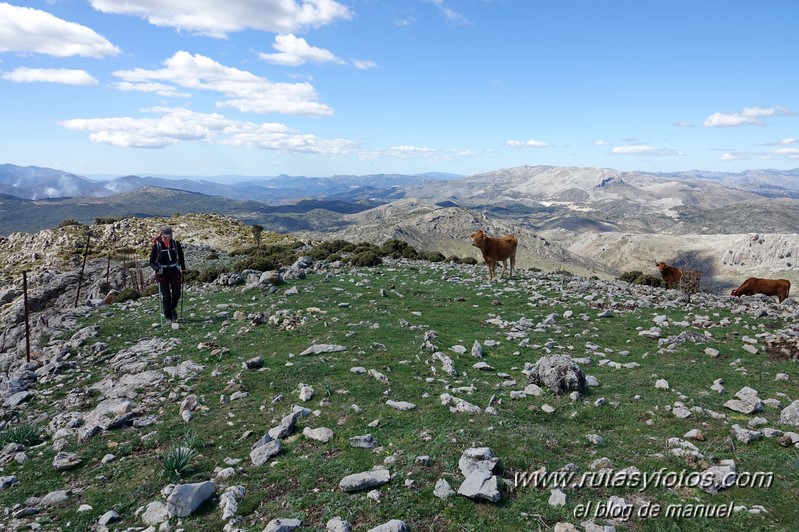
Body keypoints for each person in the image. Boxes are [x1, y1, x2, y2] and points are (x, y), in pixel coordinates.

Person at [149, 225, 186, 324]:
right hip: (162, 272)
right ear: (161, 235)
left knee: (177, 293)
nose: (167, 239)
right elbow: (151, 261)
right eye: (165, 237)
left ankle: (172, 307)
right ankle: (168, 316)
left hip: (174, 270)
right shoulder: (157, 246)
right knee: (166, 296)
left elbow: (181, 257)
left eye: (169, 236)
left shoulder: (175, 244)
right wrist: (157, 269)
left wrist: (183, 269)